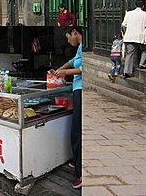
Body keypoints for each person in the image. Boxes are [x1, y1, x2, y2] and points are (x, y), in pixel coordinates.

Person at [53, 26, 82, 190]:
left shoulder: (86, 47)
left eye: (68, 37)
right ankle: (77, 161)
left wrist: (65, 73)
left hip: (81, 91)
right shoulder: (79, 48)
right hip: (76, 90)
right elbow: (72, 62)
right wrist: (60, 69)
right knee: (74, 131)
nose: (68, 41)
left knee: (77, 131)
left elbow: (82, 69)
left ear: (75, 33)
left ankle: (81, 174)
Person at [121, 0, 146, 78]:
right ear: (143, 6)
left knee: (129, 54)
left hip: (129, 36)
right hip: (140, 36)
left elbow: (123, 25)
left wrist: (125, 33)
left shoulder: (128, 13)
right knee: (145, 49)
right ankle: (142, 63)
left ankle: (127, 71)